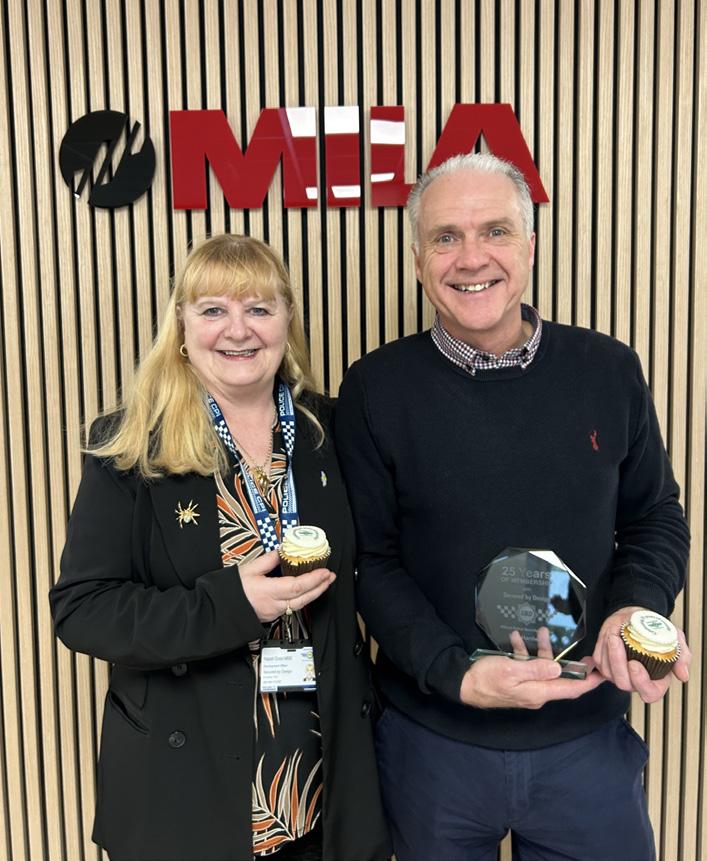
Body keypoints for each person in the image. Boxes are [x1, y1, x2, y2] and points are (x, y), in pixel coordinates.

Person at [335, 153, 691, 861]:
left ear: (529, 245)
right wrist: (456, 673)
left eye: (494, 231)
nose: (471, 258)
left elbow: (654, 515)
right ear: (418, 261)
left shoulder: (608, 369)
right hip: (431, 745)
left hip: (585, 739)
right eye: (445, 237)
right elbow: (369, 561)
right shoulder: (375, 388)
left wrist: (635, 605)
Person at [50, 234, 391, 861]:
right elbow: (83, 610)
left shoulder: (333, 430)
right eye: (213, 309)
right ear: (182, 324)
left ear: (287, 320)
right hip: (188, 793)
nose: (239, 330)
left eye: (259, 308)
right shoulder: (131, 444)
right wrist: (229, 605)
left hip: (323, 786)